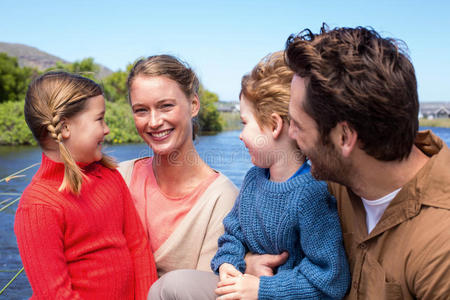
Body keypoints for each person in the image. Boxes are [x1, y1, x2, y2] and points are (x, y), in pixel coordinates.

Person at [149, 51, 350, 300]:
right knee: (165, 288)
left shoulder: (311, 194)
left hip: (272, 294)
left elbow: (331, 281)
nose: (240, 135)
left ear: (274, 126)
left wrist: (261, 289)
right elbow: (233, 235)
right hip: (242, 288)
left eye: (245, 123)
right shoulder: (254, 179)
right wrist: (229, 266)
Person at [281, 25, 450, 299]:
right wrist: (250, 260)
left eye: (298, 125)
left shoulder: (441, 245)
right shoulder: (336, 177)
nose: (290, 135)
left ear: (345, 137)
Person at [14, 71, 157, 299]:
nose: (107, 129)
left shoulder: (109, 176)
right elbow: (55, 294)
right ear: (65, 128)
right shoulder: (38, 207)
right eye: (100, 119)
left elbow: (138, 247)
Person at [119, 55, 238, 277]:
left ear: (193, 105)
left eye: (165, 106)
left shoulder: (222, 199)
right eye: (141, 110)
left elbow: (202, 290)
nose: (153, 122)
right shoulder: (119, 178)